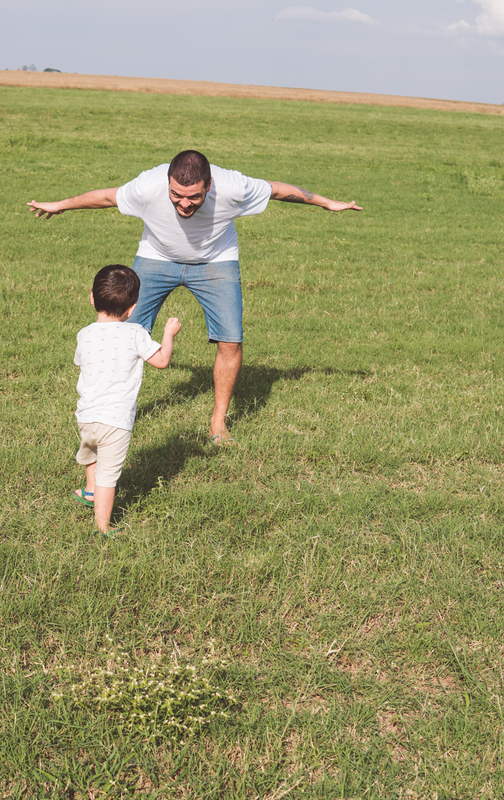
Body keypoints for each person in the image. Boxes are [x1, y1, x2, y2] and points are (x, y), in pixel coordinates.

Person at [30, 150, 362, 444]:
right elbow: (106, 197)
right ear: (167, 182)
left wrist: (326, 202)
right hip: (156, 258)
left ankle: (218, 424)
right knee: (120, 331)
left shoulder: (233, 187)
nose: (184, 203)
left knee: (230, 340)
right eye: (176, 195)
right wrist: (60, 205)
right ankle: (109, 414)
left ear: (209, 185)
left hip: (216, 262)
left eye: (194, 197)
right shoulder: (149, 185)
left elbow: (277, 190)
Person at [73, 265, 180, 534]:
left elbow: (80, 362)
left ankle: (89, 491)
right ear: (132, 308)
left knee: (91, 453)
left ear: (92, 299)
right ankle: (103, 525)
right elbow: (162, 361)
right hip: (116, 420)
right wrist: (168, 334)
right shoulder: (135, 334)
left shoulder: (84, 334)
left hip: (86, 415)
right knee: (108, 476)